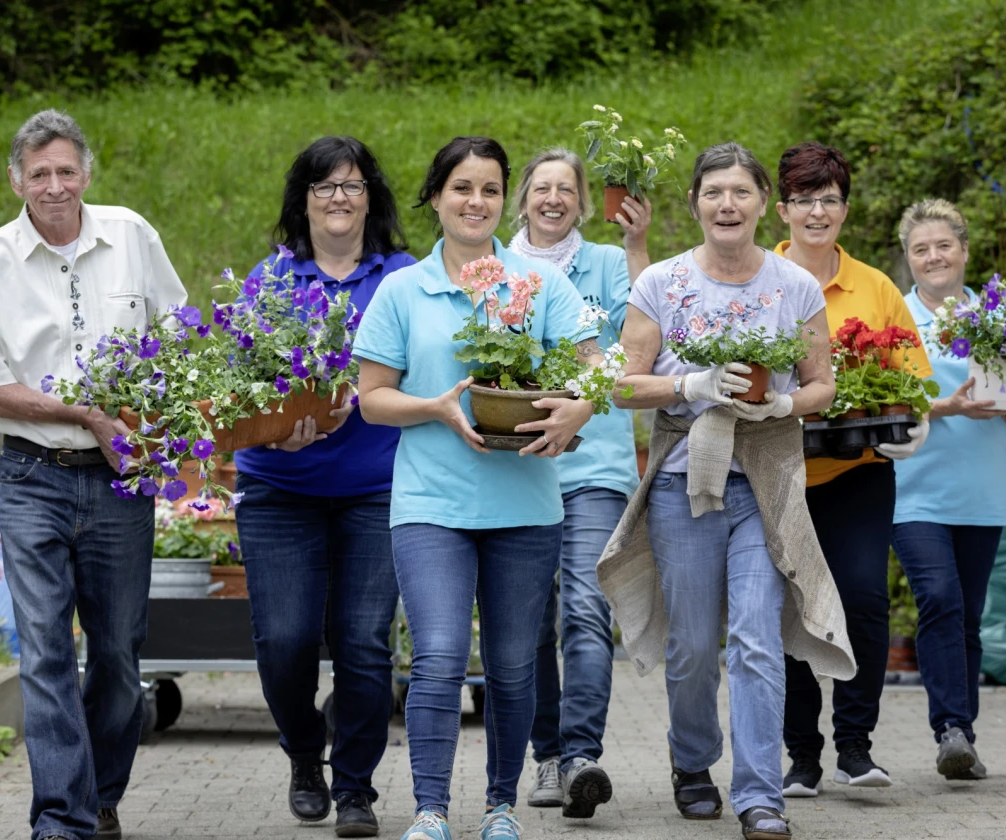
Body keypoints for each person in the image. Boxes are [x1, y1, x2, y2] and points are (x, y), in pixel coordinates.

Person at [601, 142, 856, 840]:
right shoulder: (661, 282)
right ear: (694, 203)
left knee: (755, 639)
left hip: (765, 485)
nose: (727, 204)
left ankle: (759, 796)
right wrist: (692, 383)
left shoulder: (794, 286)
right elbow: (623, 385)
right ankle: (691, 761)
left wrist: (783, 404)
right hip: (684, 481)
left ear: (764, 203)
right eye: (714, 192)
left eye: (741, 192)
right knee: (691, 646)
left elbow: (822, 385)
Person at [0, 109, 187, 840]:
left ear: (86, 173)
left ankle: (100, 795)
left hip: (120, 481)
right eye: (39, 173)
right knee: (46, 651)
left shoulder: (132, 236)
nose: (55, 186)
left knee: (117, 654)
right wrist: (87, 415)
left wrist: (154, 424)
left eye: (66, 171)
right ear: (15, 180)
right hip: (32, 478)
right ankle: (60, 817)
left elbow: (177, 336)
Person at [354, 136, 605, 840]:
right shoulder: (403, 289)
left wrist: (580, 407)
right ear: (436, 197)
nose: (476, 201)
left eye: (490, 189)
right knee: (437, 654)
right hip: (431, 504)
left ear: (505, 200)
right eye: (461, 187)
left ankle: (500, 806)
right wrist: (434, 407)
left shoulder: (539, 283)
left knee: (514, 665)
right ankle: (430, 810)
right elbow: (372, 398)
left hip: (525, 504)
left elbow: (595, 363)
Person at [232, 136, 417, 837]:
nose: (339, 197)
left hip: (376, 488)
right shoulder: (271, 280)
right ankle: (305, 752)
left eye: (352, 184)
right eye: (324, 186)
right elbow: (239, 390)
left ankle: (356, 788)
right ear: (303, 200)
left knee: (364, 642)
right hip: (280, 489)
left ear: (371, 198)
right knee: (285, 640)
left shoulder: (401, 278)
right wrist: (273, 430)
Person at [772, 142, 933, 797]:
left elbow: (910, 380)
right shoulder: (757, 279)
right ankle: (802, 755)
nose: (818, 212)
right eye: (805, 200)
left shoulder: (875, 287)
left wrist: (912, 422)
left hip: (858, 469)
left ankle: (855, 746)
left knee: (864, 597)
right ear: (782, 209)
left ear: (845, 208)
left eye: (830, 200)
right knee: (788, 609)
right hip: (777, 472)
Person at [507, 148, 651, 817]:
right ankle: (546, 756)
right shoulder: (493, 270)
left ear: (584, 202)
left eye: (567, 189)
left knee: (587, 611)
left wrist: (639, 246)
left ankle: (579, 757)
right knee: (529, 622)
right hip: (516, 465)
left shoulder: (607, 264)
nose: (554, 198)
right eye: (542, 187)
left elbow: (643, 339)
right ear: (523, 199)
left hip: (595, 466)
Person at [890, 198, 1006, 780]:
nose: (933, 257)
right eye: (920, 249)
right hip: (913, 489)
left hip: (980, 488)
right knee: (940, 598)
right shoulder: (893, 317)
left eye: (943, 245)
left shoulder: (998, 317)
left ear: (964, 251)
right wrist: (945, 407)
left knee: (968, 615)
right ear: (908, 258)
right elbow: (881, 400)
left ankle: (963, 740)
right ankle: (949, 728)